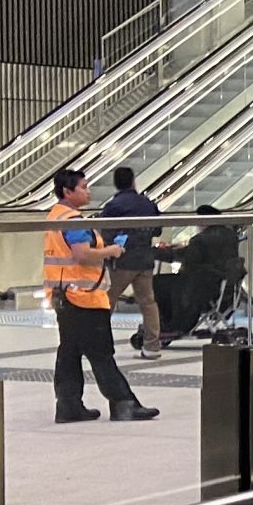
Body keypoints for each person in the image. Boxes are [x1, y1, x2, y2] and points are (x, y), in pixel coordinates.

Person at [44, 167, 158, 424]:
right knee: (101, 352)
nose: (89, 191)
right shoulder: (73, 221)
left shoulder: (55, 215)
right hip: (84, 296)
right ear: (67, 191)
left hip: (64, 295)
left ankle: (69, 405)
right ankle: (124, 403)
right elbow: (82, 254)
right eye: (84, 187)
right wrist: (111, 251)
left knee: (70, 351)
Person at [100, 165, 163, 358]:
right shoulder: (147, 203)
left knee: (106, 302)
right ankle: (152, 346)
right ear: (133, 181)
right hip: (145, 260)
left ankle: (100, 345)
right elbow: (157, 229)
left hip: (122, 261)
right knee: (148, 303)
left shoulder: (113, 206)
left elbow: (105, 232)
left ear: (116, 183)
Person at [159, 205, 247, 337]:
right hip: (225, 289)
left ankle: (171, 324)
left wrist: (166, 253)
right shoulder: (231, 236)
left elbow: (190, 260)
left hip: (202, 289)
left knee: (160, 283)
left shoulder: (200, 239)